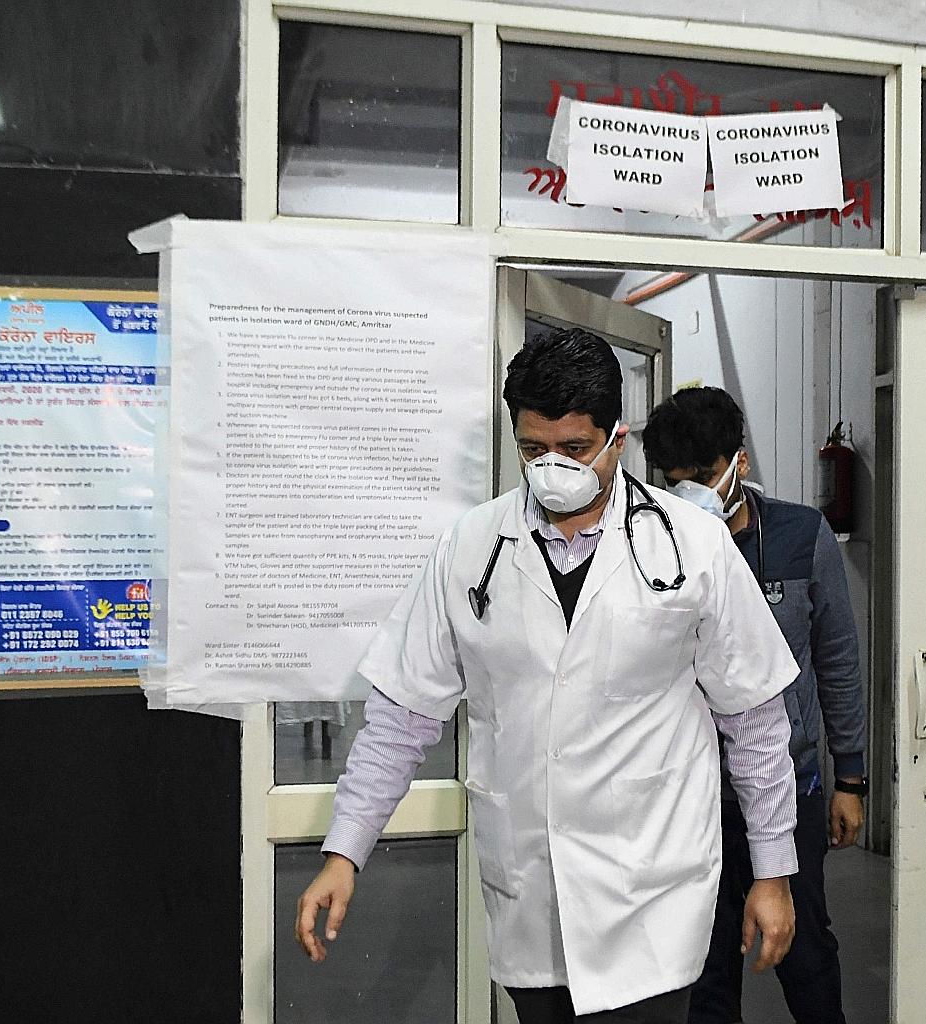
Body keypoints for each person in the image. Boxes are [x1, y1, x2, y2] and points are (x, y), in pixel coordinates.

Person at [294, 329, 804, 1024]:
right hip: (529, 887)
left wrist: (772, 872)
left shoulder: (694, 544)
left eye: (573, 449)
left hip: (650, 888)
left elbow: (755, 722)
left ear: (616, 439)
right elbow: (402, 717)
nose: (552, 467)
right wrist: (344, 852)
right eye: (533, 449)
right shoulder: (470, 548)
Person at [643, 386, 866, 1024]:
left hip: (786, 791)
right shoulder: (654, 549)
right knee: (706, 972)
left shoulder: (802, 534)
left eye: (704, 478)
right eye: (673, 482)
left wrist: (850, 776)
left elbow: (839, 661)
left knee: (806, 956)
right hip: (692, 804)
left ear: (738, 462)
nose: (689, 496)